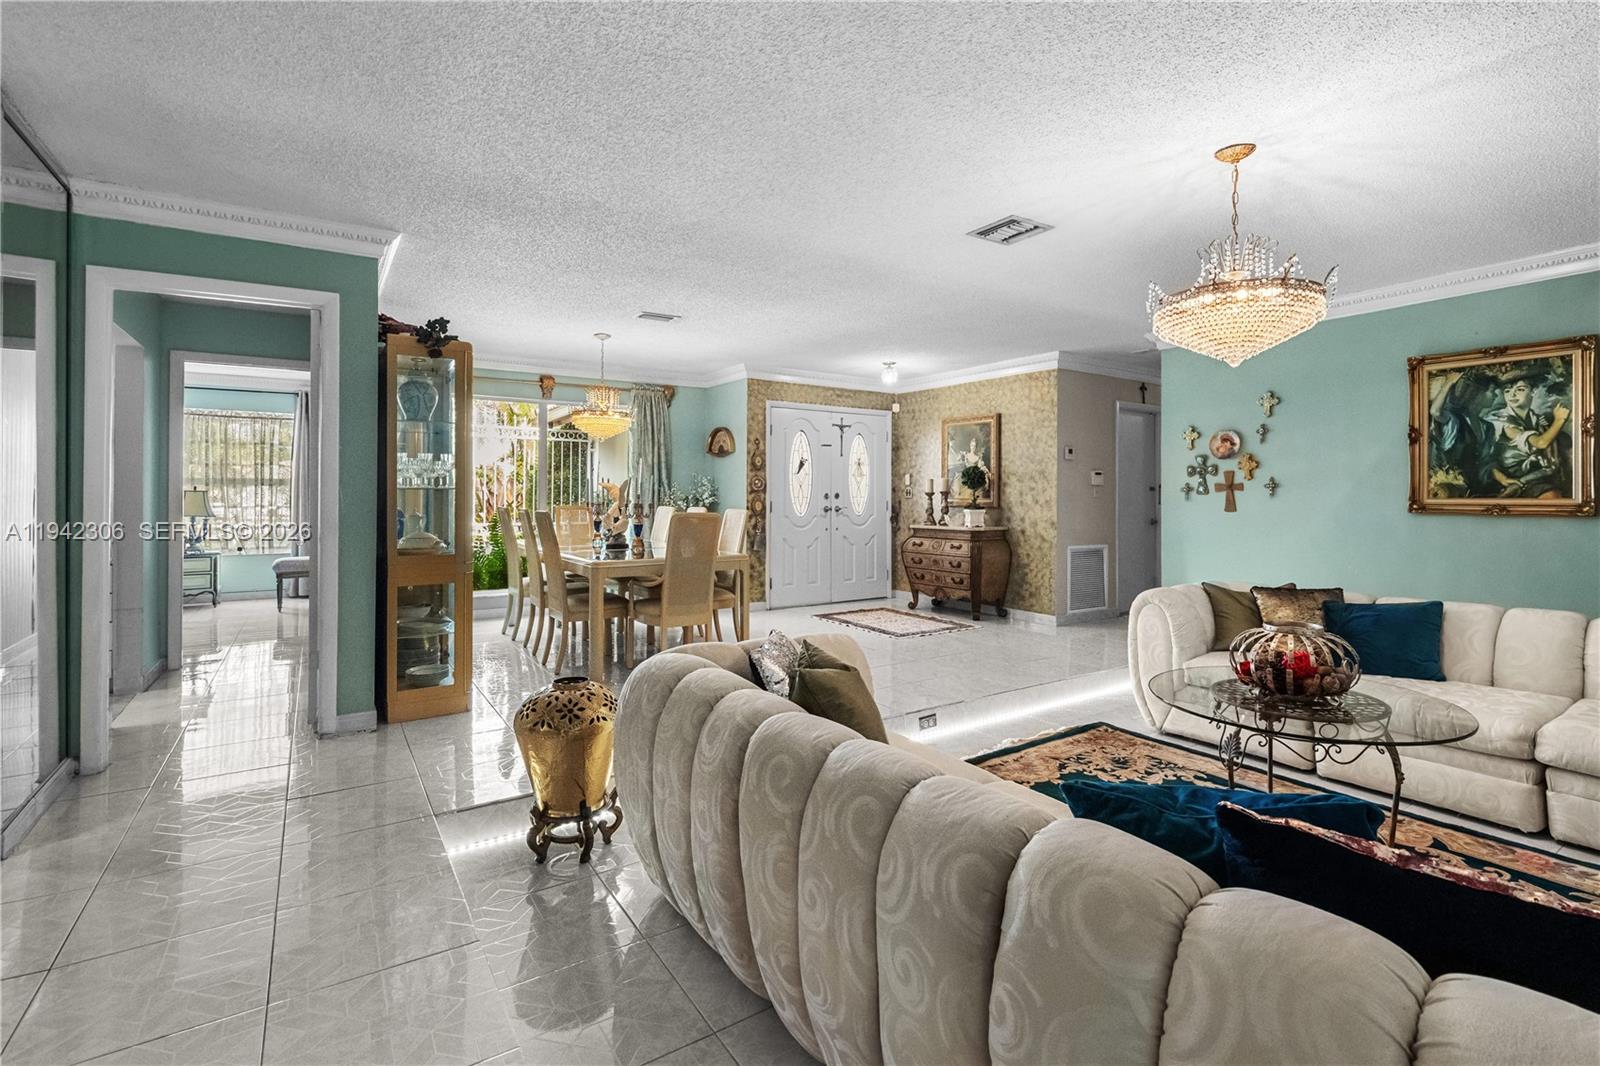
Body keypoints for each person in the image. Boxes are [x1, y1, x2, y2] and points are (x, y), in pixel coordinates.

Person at [1484, 367, 1571, 498]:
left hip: (1537, 475)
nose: (1512, 395)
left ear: (1533, 391)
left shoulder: (1536, 418)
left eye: (1520, 389)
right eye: (1507, 391)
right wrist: (1559, 420)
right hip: (1511, 479)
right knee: (1551, 496)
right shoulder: (1501, 420)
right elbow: (1541, 443)